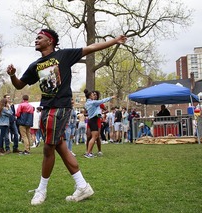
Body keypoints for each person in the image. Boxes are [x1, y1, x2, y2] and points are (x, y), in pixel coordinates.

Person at [7, 28, 126, 205]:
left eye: (40, 38)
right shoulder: (35, 65)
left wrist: (114, 40)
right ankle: (82, 186)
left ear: (50, 41)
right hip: (46, 108)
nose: (36, 40)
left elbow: (91, 47)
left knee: (48, 148)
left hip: (60, 107)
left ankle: (41, 190)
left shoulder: (63, 55)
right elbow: (19, 85)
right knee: (60, 146)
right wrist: (12, 75)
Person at [84, 89, 115, 158]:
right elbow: (102, 101)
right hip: (93, 120)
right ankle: (88, 153)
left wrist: (100, 113)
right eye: (93, 95)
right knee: (94, 137)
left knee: (94, 137)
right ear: (89, 96)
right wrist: (111, 97)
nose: (94, 96)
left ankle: (89, 152)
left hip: (92, 120)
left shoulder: (87, 103)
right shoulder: (93, 102)